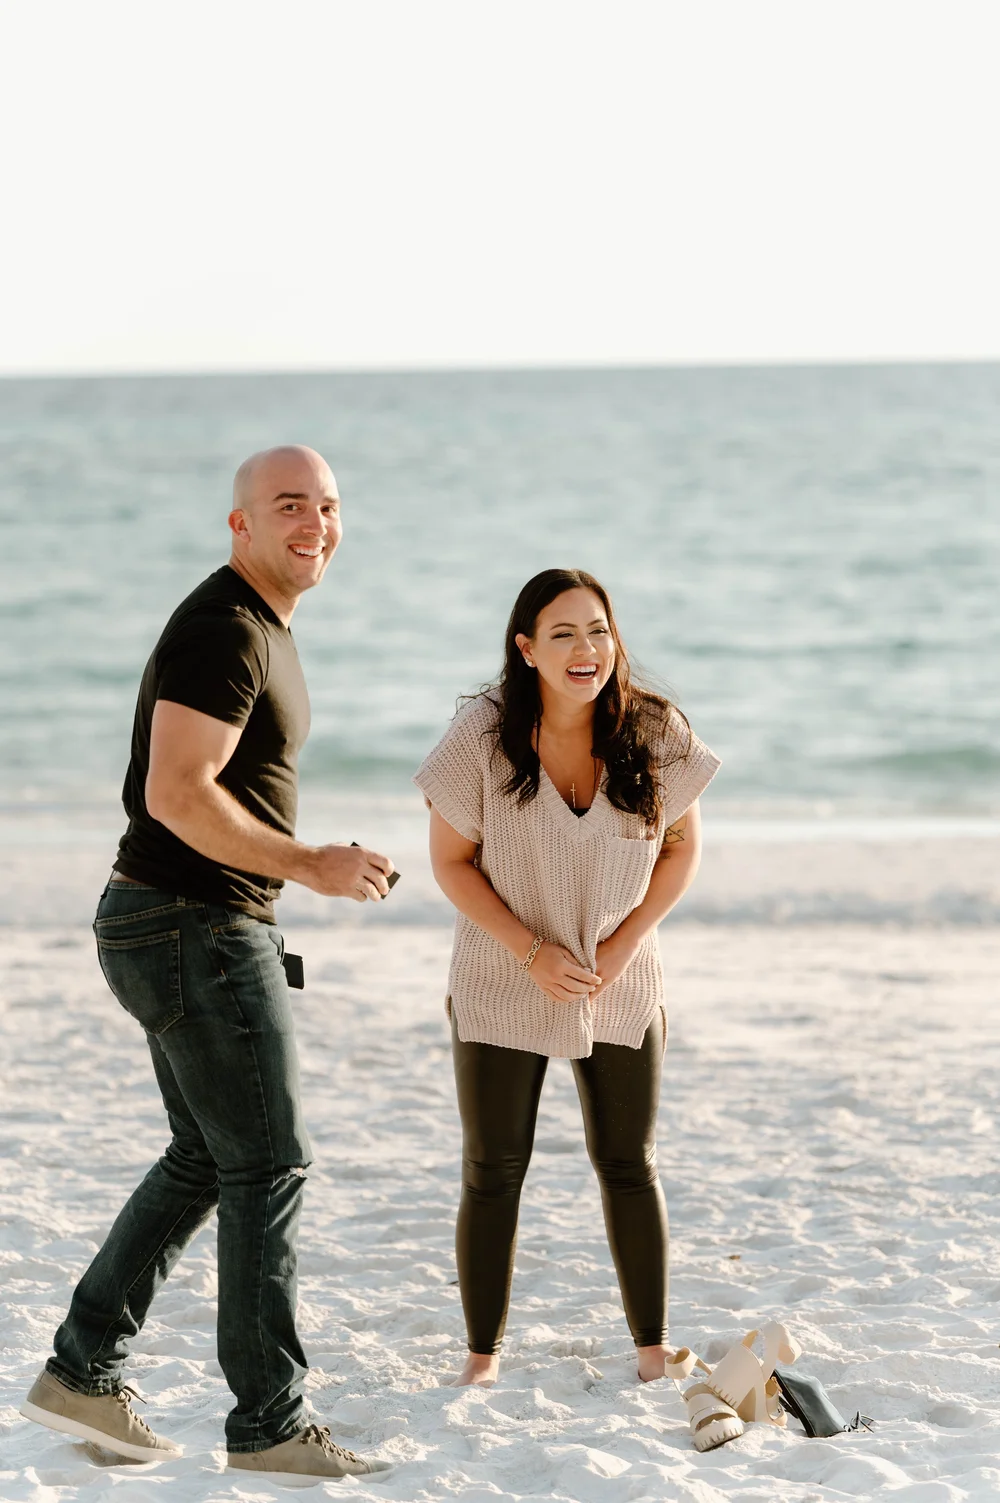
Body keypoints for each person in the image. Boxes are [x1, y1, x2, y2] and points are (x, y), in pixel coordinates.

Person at [21, 446, 394, 1485]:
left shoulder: (259, 627)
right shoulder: (226, 628)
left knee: (207, 1155)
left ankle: (83, 1370)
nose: (313, 523)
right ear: (239, 524)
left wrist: (297, 866)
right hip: (191, 924)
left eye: (327, 507)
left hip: (170, 922)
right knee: (269, 1161)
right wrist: (308, 863)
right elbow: (176, 794)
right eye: (288, 506)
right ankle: (268, 1421)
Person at [414, 567, 720, 1387]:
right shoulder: (479, 737)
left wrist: (621, 948)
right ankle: (481, 1361)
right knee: (494, 1166)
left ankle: (653, 1355)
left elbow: (684, 848)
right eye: (563, 635)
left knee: (629, 1160)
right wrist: (530, 951)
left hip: (621, 973)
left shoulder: (653, 729)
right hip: (501, 970)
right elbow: (449, 862)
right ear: (526, 649)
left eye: (598, 630)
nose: (586, 649)